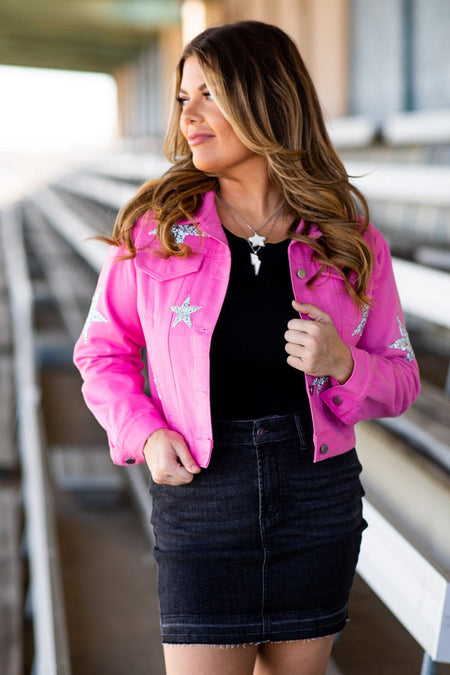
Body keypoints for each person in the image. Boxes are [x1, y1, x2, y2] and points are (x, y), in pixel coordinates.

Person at [74, 20, 420, 675]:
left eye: (210, 94)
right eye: (184, 97)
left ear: (265, 98)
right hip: (201, 495)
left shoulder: (348, 238)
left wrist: (344, 364)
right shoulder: (156, 231)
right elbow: (102, 351)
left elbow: (401, 378)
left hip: (316, 496)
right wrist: (145, 434)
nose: (189, 115)